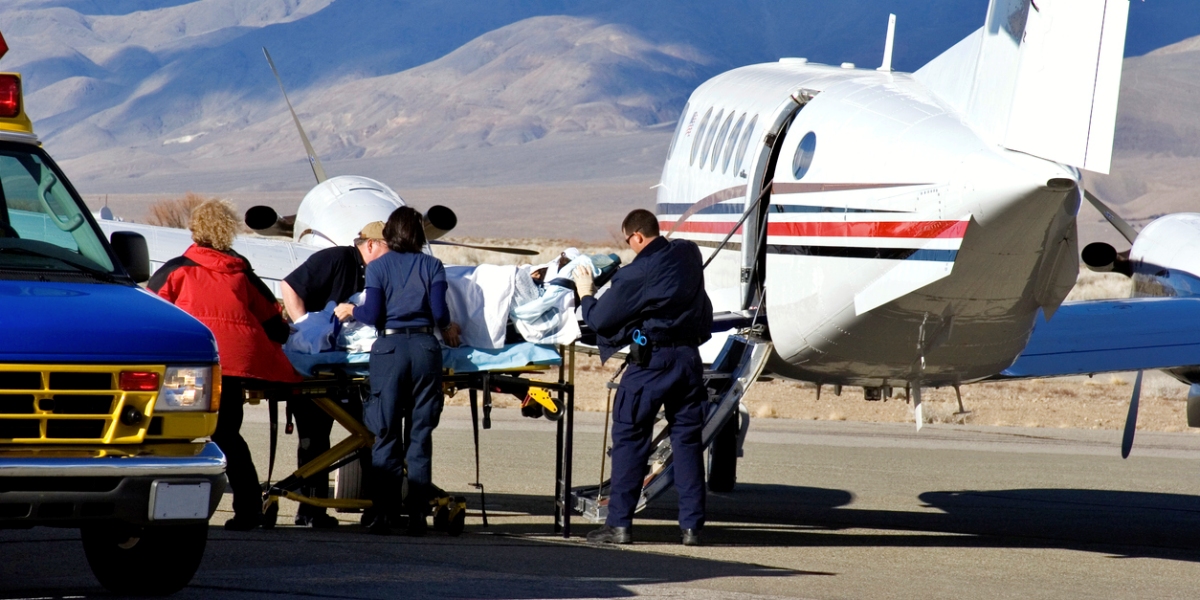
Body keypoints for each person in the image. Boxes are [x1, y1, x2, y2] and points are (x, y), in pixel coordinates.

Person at [148, 199, 301, 531]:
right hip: (232, 365)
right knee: (228, 435)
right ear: (228, 230)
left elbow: (150, 311)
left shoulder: (176, 269)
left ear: (195, 229)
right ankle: (248, 508)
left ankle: (172, 508)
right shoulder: (241, 272)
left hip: (188, 366)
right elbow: (273, 321)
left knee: (179, 435)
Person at [572, 208, 713, 546]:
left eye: (628, 241)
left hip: (652, 364)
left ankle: (619, 525)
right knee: (688, 443)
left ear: (636, 236)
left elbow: (601, 320)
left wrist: (586, 293)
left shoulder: (637, 273)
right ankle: (692, 528)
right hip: (689, 360)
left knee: (630, 440)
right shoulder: (688, 252)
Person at [334, 206, 461, 535]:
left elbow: (372, 314)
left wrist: (352, 310)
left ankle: (384, 514)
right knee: (419, 435)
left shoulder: (378, 267)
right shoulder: (432, 265)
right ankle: (417, 515)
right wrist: (449, 327)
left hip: (389, 352)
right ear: (419, 233)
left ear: (390, 233)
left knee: (386, 434)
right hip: (425, 350)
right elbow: (439, 312)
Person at [280, 221, 390, 528]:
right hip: (318, 367)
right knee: (314, 438)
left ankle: (375, 508)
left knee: (370, 434)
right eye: (389, 248)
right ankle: (310, 510)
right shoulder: (337, 258)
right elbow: (289, 286)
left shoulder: (381, 272)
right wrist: (306, 329)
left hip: (355, 369)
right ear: (371, 244)